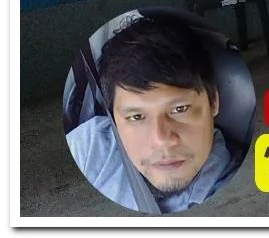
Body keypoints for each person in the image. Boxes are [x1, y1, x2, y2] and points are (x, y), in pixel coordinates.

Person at [66, 14, 236, 213]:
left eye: (180, 109)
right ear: (113, 120)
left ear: (213, 101)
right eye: (136, 117)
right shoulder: (91, 147)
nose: (161, 140)